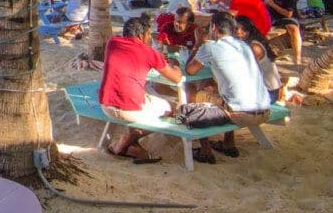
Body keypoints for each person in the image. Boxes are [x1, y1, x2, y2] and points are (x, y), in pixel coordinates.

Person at [185, 11, 271, 164]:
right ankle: (228, 142)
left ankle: (205, 150)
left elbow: (190, 70)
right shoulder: (244, 45)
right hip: (264, 109)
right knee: (219, 90)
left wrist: (198, 43)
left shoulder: (210, 47)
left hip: (242, 113)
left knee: (190, 91)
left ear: (213, 27)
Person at [99, 15, 182, 163]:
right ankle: (126, 142)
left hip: (106, 105)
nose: (150, 38)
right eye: (148, 34)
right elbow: (176, 78)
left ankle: (134, 146)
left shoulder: (112, 42)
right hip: (129, 110)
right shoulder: (148, 52)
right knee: (173, 109)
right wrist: (176, 65)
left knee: (143, 94)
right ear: (141, 35)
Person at [234, 16, 282, 103]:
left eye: (243, 29)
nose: (239, 32)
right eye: (236, 29)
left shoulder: (254, 47)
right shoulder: (246, 44)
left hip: (268, 92)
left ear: (249, 30)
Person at [264, 0, 302, 64]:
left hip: (288, 18)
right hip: (274, 19)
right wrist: (265, 3)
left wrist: (273, 5)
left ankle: (297, 57)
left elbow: (288, 14)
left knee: (293, 29)